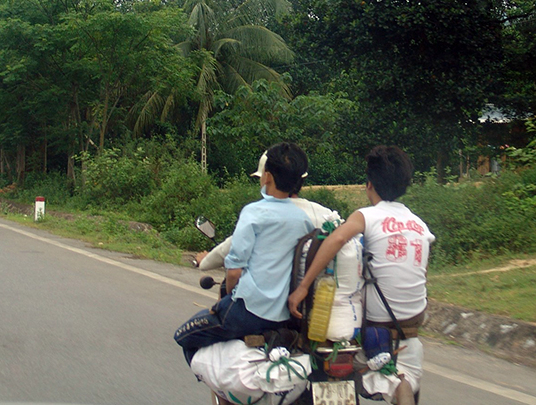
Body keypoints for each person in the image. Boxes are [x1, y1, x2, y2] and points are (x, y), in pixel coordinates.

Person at [288, 145, 435, 405]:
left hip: (376, 321)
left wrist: (303, 287)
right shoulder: (420, 225)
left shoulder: (366, 216)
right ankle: (399, 384)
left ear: (369, 185)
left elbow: (337, 239)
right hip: (412, 320)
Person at [174, 143, 314, 363]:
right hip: (283, 317)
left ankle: (223, 392)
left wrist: (229, 300)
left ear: (266, 176)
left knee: (184, 336)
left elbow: (233, 272)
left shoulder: (253, 212)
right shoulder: (304, 220)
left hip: (248, 311)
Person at [194, 150, 332, 271]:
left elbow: (228, 251)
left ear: (267, 178)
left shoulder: (259, 213)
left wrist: (205, 261)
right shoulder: (326, 215)